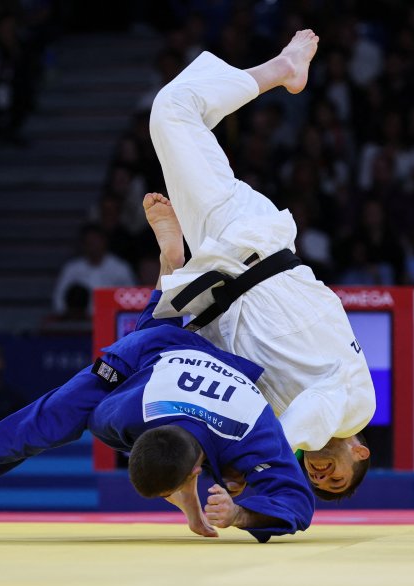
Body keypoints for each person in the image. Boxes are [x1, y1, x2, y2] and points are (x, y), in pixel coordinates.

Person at [0, 237, 314, 544]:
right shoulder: (122, 416)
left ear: (196, 472)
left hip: (177, 355)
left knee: (152, 330)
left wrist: (238, 513)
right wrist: (239, 508)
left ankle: (168, 275)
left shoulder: (250, 426)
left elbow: (299, 505)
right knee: (38, 422)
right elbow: (295, 503)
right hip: (143, 359)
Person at [143, 31, 373, 499]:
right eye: (337, 476)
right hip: (248, 247)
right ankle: (284, 69)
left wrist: (233, 475)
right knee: (173, 109)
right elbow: (304, 422)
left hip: (214, 281)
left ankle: (171, 255)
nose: (322, 474)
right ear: (361, 452)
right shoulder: (354, 409)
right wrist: (259, 468)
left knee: (157, 333)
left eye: (317, 480)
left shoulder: (269, 416)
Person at [52, 224, 136, 314]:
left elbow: (133, 298)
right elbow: (59, 299)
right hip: (80, 321)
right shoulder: (71, 269)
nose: (93, 246)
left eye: (96, 241)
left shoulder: (120, 268)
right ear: (83, 245)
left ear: (104, 241)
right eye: (89, 243)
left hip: (111, 320)